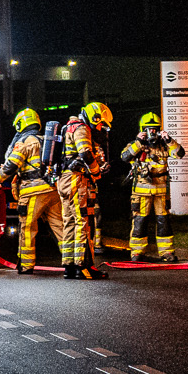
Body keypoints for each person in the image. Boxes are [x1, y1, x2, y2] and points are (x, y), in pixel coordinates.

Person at [0, 108, 70, 274]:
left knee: (28, 228)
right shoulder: (45, 140)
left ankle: (26, 265)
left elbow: (11, 165)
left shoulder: (25, 141)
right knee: (60, 227)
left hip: (33, 192)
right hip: (52, 191)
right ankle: (71, 262)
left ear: (21, 124)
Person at [120, 112, 186, 261]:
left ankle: (167, 252)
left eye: (155, 129)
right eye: (149, 129)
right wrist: (138, 142)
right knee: (140, 221)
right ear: (142, 129)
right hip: (141, 193)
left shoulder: (164, 145)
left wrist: (169, 140)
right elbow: (125, 157)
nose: (152, 132)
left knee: (164, 222)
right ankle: (137, 252)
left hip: (161, 192)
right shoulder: (136, 145)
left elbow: (180, 153)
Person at [59, 102, 113, 278]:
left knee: (70, 223)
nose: (100, 127)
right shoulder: (82, 128)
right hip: (77, 181)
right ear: (95, 118)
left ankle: (70, 267)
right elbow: (85, 153)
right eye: (100, 123)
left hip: (65, 180)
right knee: (84, 222)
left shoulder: (70, 126)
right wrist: (96, 171)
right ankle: (85, 267)